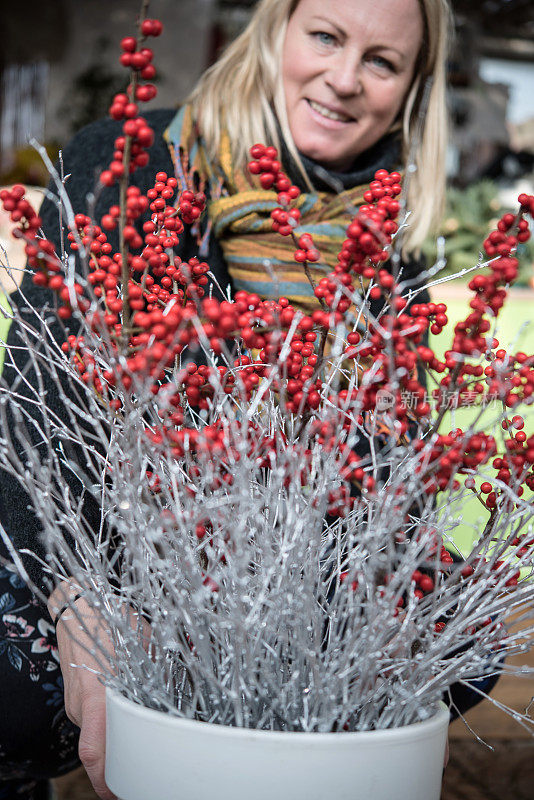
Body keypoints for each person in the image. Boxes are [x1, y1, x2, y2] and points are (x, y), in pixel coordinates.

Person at [0, 0, 457, 797]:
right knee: (19, 699)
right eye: (325, 36)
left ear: (413, 87)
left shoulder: (385, 246)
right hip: (115, 535)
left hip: (281, 571)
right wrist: (81, 590)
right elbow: (46, 395)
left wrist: (382, 600)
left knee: (453, 633)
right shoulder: (134, 162)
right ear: (275, 32)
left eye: (382, 62)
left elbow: (382, 476)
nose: (345, 79)